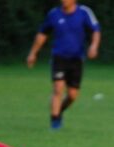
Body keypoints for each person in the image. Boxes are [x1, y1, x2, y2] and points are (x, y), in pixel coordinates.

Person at [26, 0, 101, 130]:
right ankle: (55, 122)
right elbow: (42, 34)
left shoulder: (84, 12)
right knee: (58, 88)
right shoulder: (54, 14)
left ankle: (58, 110)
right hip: (59, 57)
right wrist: (33, 53)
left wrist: (94, 46)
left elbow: (96, 30)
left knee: (72, 95)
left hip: (77, 59)